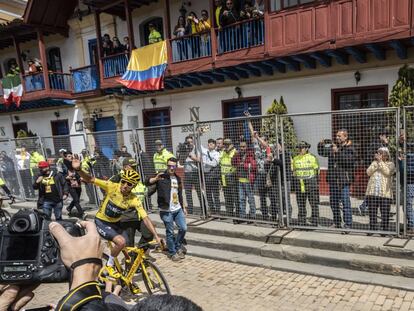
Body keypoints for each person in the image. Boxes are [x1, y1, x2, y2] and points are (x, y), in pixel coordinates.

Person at [72, 156, 163, 278]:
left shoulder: (133, 199)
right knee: (121, 242)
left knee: (128, 247)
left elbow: (145, 218)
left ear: (134, 186)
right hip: (102, 222)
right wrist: (79, 170)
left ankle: (124, 275)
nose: (125, 185)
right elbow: (90, 179)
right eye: (123, 181)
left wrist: (157, 236)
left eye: (129, 184)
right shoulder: (111, 186)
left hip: (115, 223)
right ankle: (110, 265)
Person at [147, 157, 187, 261]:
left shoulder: (177, 178)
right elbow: (147, 181)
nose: (171, 168)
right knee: (170, 231)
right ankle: (172, 252)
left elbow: (179, 194)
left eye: (173, 166)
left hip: (177, 208)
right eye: (169, 166)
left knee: (183, 228)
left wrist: (183, 207)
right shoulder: (161, 176)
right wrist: (155, 179)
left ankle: (177, 247)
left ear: (176, 166)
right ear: (167, 166)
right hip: (166, 210)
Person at [110, 157, 154, 247]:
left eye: (136, 167)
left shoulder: (136, 178)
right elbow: (108, 185)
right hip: (126, 216)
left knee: (149, 234)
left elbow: (143, 189)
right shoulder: (118, 178)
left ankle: (138, 254)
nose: (135, 169)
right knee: (129, 244)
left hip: (138, 214)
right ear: (125, 167)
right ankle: (131, 259)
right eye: (132, 167)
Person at [318, 129, 355, 229]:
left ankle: (348, 224)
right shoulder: (332, 147)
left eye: (339, 136)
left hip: (343, 181)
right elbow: (322, 153)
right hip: (333, 180)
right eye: (337, 136)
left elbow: (349, 161)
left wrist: (338, 152)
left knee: (345, 204)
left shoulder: (350, 148)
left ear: (345, 137)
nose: (337, 137)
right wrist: (320, 145)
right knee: (334, 203)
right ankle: (337, 222)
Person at [247, 114, 272, 219]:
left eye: (263, 140)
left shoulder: (268, 148)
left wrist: (258, 137)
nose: (260, 142)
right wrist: (249, 120)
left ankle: (274, 215)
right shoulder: (257, 148)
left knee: (272, 197)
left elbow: (267, 149)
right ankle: (265, 215)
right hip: (260, 175)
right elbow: (252, 134)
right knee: (262, 197)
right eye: (260, 140)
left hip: (268, 176)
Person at [365, 147, 395, 233]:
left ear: (386, 155)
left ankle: (384, 229)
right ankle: (372, 228)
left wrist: (380, 162)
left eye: (380, 153)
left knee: (385, 212)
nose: (378, 155)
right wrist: (376, 163)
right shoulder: (374, 162)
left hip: (385, 193)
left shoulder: (390, 164)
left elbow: (388, 172)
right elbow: (368, 172)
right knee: (372, 211)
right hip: (373, 192)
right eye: (378, 153)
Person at [291, 141, 320, 226]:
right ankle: (301, 221)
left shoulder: (312, 157)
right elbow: (294, 172)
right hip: (299, 185)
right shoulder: (295, 158)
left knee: (313, 204)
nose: (300, 149)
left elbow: (317, 171)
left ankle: (315, 221)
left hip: (311, 184)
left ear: (306, 148)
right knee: (301, 204)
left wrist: (315, 183)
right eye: (298, 148)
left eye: (302, 148)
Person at [232, 140, 256, 221]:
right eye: (240, 146)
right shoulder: (238, 155)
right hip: (240, 180)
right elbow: (233, 163)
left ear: (247, 147)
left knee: (250, 199)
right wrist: (235, 155)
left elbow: (254, 166)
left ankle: (253, 216)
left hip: (248, 181)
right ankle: (242, 216)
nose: (241, 148)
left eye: (243, 146)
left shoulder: (250, 154)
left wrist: (243, 165)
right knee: (241, 199)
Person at [181, 135, 203, 215]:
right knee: (188, 193)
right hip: (187, 174)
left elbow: (200, 160)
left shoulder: (197, 148)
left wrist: (192, 157)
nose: (189, 143)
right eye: (188, 142)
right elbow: (180, 163)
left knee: (199, 192)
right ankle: (190, 210)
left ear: (193, 142)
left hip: (195, 173)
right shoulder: (185, 150)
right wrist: (183, 155)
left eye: (191, 142)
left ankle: (203, 209)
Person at [200, 139, 221, 214]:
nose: (209, 145)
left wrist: (203, 161)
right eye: (209, 144)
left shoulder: (217, 153)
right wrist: (199, 134)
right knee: (208, 194)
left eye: (211, 144)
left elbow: (214, 163)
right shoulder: (205, 151)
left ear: (215, 145)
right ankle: (212, 210)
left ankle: (218, 211)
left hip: (213, 176)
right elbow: (199, 145)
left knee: (215, 194)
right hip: (205, 175)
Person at [220, 138, 238, 217]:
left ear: (232, 144)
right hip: (224, 179)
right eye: (225, 144)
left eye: (228, 144)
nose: (226, 146)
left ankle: (237, 214)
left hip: (232, 178)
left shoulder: (235, 152)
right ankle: (229, 213)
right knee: (227, 197)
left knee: (235, 197)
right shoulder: (223, 152)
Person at [64, 152, 85, 219]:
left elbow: (79, 172)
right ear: (65, 157)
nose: (71, 157)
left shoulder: (75, 163)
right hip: (70, 185)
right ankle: (81, 213)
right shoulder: (63, 165)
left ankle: (69, 208)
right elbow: (60, 175)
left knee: (77, 200)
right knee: (76, 200)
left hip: (77, 184)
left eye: (71, 156)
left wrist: (80, 177)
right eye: (69, 156)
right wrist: (66, 177)